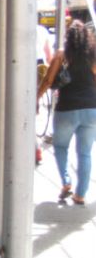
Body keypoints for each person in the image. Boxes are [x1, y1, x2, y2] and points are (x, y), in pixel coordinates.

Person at [37, 20, 96, 205]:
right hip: (91, 109)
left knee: (60, 146)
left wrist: (36, 98)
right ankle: (80, 195)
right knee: (85, 153)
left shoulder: (62, 55)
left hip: (66, 109)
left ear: (68, 38)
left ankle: (66, 181)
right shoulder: (93, 56)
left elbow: (48, 80)